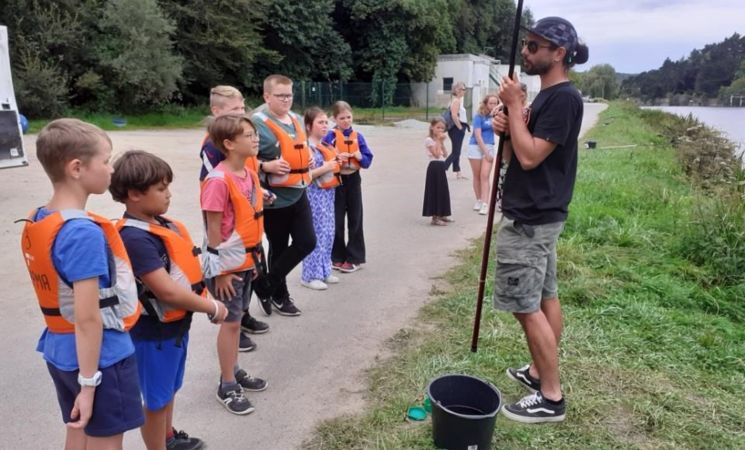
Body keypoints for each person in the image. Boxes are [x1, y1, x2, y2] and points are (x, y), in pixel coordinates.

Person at [20, 119, 144, 449]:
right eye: (105, 161)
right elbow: (88, 318)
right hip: (98, 360)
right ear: (77, 168)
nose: (111, 170)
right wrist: (89, 384)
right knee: (104, 441)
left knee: (77, 429)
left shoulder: (41, 217)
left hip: (59, 350)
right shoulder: (82, 233)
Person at [491, 16, 588, 424]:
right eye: (526, 45)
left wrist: (514, 107)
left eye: (535, 47)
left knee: (525, 306)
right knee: (545, 297)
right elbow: (518, 155)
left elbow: (532, 157)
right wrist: (508, 128)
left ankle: (551, 396)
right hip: (536, 213)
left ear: (559, 54)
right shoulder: (546, 99)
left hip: (532, 219)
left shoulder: (564, 99)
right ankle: (536, 373)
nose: (526, 53)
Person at [111, 150, 229, 450]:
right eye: (161, 189)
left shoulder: (161, 225)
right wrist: (212, 306)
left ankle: (168, 438)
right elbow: (166, 291)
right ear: (134, 194)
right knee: (155, 401)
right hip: (153, 335)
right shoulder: (135, 239)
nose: (169, 195)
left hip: (173, 330)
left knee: (167, 391)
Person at [201, 114, 269, 415]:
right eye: (248, 135)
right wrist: (221, 272)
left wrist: (252, 259)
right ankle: (227, 384)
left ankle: (233, 369)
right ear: (228, 144)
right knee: (230, 325)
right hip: (226, 268)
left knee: (238, 319)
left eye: (255, 134)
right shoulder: (217, 180)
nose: (255, 139)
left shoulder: (249, 174)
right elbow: (213, 230)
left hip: (245, 260)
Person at [251, 74, 317, 315]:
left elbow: (301, 147)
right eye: (280, 96)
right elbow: (241, 158)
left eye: (289, 95)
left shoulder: (296, 119)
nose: (286, 100)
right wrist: (264, 166)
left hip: (299, 192)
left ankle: (266, 284)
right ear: (267, 96)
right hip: (274, 199)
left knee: (307, 241)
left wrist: (308, 157)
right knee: (278, 247)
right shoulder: (255, 123)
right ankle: (281, 295)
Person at [323, 101, 374, 273]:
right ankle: (336, 257)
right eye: (341, 118)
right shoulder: (329, 137)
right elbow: (321, 156)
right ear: (335, 119)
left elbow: (367, 161)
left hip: (353, 180)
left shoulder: (358, 137)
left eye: (348, 117)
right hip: (336, 181)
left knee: (355, 218)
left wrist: (360, 157)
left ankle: (354, 258)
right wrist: (335, 156)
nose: (346, 121)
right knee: (336, 220)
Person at [301, 107, 341, 290]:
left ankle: (325, 269)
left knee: (328, 231)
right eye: (320, 122)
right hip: (314, 195)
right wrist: (328, 166)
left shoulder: (326, 145)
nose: (325, 126)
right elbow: (306, 175)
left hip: (327, 194)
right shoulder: (306, 147)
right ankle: (310, 275)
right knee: (315, 232)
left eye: (326, 122)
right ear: (309, 126)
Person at [467, 94, 500, 215]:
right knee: (476, 175)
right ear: (486, 104)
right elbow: (477, 135)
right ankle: (479, 200)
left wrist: (497, 113)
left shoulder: (496, 116)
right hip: (475, 146)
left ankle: (485, 204)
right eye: (491, 103)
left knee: (484, 175)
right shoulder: (478, 116)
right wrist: (486, 152)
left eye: (495, 103)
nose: (493, 105)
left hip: (489, 146)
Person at [422, 117, 453, 225]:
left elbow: (444, 154)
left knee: (442, 190)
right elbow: (435, 154)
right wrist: (439, 141)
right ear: (432, 127)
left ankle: (442, 214)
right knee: (435, 191)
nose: (440, 130)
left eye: (442, 128)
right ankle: (435, 217)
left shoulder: (438, 140)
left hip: (441, 166)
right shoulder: (429, 140)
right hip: (434, 166)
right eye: (438, 127)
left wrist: (442, 143)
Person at [443, 81, 469, 179]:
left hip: (457, 128)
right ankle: (442, 169)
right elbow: (454, 115)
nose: (464, 91)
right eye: (463, 89)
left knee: (456, 151)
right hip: (456, 129)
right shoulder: (456, 101)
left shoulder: (457, 100)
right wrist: (460, 128)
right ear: (457, 90)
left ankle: (458, 172)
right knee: (456, 152)